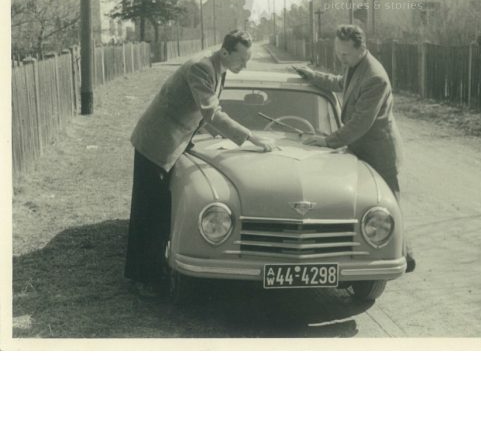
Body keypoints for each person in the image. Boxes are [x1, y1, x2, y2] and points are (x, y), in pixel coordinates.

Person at [125, 30, 276, 294]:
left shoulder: (221, 66)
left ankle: (153, 269)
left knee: (161, 209)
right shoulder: (201, 67)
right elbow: (212, 112)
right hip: (156, 142)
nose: (245, 65)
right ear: (226, 52)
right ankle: (143, 279)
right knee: (149, 211)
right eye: (242, 60)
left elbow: (204, 112)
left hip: (174, 139)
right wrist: (251, 137)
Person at [296, 24, 415, 272]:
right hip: (361, 146)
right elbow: (342, 83)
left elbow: (360, 122)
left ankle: (404, 256)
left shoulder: (375, 77)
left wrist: (328, 141)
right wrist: (312, 75)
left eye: (345, 54)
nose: (340, 57)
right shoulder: (355, 65)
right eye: (338, 52)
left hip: (379, 149)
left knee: (388, 202)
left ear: (362, 48)